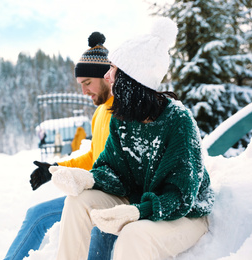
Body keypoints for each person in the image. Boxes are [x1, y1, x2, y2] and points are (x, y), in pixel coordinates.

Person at [50, 17, 215, 259]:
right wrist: (86, 178)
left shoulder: (178, 121)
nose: (107, 76)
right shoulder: (122, 117)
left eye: (113, 69)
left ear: (132, 78)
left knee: (134, 234)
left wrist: (139, 212)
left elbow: (182, 197)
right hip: (140, 199)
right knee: (77, 202)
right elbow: (114, 172)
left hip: (186, 214)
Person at [4, 32, 116, 260]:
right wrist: (54, 167)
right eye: (80, 84)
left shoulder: (122, 111)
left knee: (96, 240)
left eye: (87, 83)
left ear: (106, 77)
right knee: (36, 215)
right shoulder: (100, 112)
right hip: (96, 191)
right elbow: (94, 156)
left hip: (113, 197)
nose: (83, 91)